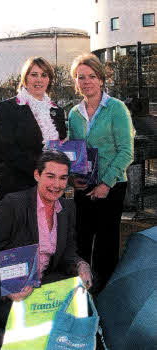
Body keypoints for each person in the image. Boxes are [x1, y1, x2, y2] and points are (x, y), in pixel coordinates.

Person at [0, 150, 92, 349]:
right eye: (50, 176)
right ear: (37, 175)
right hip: (0, 289)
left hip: (37, 285)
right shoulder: (14, 204)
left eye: (63, 178)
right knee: (45, 333)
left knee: (75, 318)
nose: (56, 185)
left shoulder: (67, 209)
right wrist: (7, 290)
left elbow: (67, 252)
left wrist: (80, 265)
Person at [68, 53, 135, 294]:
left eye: (91, 76)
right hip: (84, 185)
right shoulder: (73, 114)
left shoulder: (116, 108)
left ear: (101, 79)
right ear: (75, 82)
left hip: (112, 185)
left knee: (106, 244)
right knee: (82, 240)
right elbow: (74, 152)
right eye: (80, 77)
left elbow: (126, 152)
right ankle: (82, 291)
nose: (86, 81)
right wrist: (73, 177)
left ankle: (106, 294)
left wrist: (106, 184)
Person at [0, 57, 67, 202]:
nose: (39, 80)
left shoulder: (57, 111)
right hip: (19, 188)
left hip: (52, 189)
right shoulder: (8, 107)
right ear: (25, 78)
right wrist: (42, 171)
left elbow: (61, 147)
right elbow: (6, 149)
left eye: (44, 75)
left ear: (49, 80)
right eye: (34, 74)